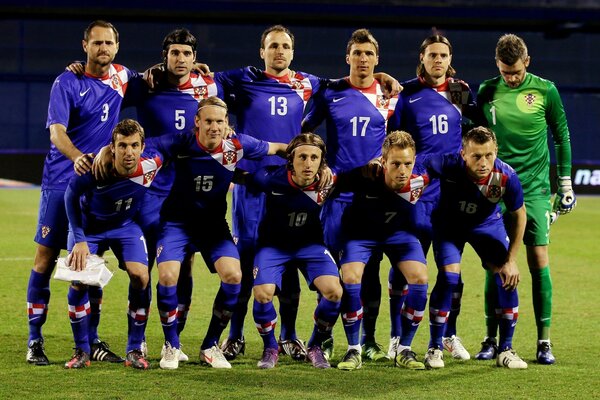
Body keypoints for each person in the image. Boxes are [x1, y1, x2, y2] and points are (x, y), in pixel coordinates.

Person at [216, 25, 399, 362]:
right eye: (273, 46)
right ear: (262, 51)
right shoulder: (243, 79)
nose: (279, 52)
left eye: (285, 46)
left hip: (294, 186)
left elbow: (348, 82)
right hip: (253, 186)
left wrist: (379, 75)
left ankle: (289, 336)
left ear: (292, 52)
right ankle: (235, 334)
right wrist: (221, 118)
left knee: (289, 258)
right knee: (247, 262)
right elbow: (207, 84)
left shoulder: (307, 83)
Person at [26, 20, 135, 366]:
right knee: (44, 260)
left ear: (117, 47)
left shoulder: (122, 77)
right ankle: (35, 339)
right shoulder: (67, 81)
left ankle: (92, 341)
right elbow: (56, 132)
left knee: (91, 265)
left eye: (109, 43)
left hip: (97, 188)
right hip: (60, 183)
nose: (103, 48)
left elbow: (159, 77)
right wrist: (77, 158)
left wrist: (199, 71)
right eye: (97, 42)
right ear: (85, 45)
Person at [151, 96, 287, 370]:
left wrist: (304, 156)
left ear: (227, 124)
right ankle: (171, 345)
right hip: (176, 223)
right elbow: (147, 145)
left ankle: (210, 345)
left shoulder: (238, 145)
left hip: (213, 226)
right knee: (167, 276)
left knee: (234, 276)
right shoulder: (180, 143)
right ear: (197, 122)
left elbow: (277, 147)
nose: (214, 127)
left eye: (220, 121)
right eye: (209, 121)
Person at [476, 34, 576, 364]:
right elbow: (477, 138)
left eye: (516, 72)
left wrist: (564, 184)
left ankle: (544, 341)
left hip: (533, 190)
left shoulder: (546, 90)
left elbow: (561, 136)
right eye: (506, 73)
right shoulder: (487, 90)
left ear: (527, 62)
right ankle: (491, 338)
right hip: (496, 188)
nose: (512, 78)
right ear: (497, 66)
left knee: (538, 263)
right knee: (496, 265)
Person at [302, 28, 400, 362]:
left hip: (371, 198)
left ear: (377, 59)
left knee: (369, 271)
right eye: (357, 53)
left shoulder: (389, 96)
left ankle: (368, 339)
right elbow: (305, 131)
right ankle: (324, 338)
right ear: (348, 58)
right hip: (336, 196)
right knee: (331, 271)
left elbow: (400, 139)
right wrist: (317, 164)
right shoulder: (331, 91)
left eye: (369, 54)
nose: (363, 59)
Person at [126, 27, 223, 362]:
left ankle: (175, 339)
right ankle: (136, 340)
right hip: (151, 189)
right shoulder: (146, 84)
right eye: (174, 53)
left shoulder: (209, 85)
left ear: (195, 58)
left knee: (185, 265)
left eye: (186, 53)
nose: (180, 59)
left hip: (187, 189)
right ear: (164, 56)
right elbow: (106, 93)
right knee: (144, 265)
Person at [386, 34, 477, 361]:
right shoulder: (407, 94)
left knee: (453, 270)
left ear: (449, 58)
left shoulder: (459, 91)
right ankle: (397, 336)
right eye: (432, 55)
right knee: (407, 263)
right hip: (418, 190)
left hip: (453, 191)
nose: (437, 60)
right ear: (422, 57)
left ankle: (449, 334)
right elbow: (393, 139)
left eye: (443, 55)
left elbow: (473, 130)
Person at [421, 126, 528, 369]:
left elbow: (519, 215)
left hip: (486, 226)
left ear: (496, 151)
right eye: (476, 156)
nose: (483, 162)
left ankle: (506, 350)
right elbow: (419, 163)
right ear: (463, 154)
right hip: (449, 226)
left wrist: (511, 260)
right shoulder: (447, 164)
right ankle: (435, 347)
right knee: (449, 277)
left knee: (506, 276)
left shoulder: (506, 176)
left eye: (489, 155)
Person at [63, 119, 161, 369]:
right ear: (113, 147)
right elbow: (70, 196)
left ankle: (134, 349)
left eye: (134, 146)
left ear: (142, 147)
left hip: (125, 226)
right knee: (79, 282)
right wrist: (80, 240)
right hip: (90, 230)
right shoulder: (96, 167)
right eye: (122, 145)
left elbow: (178, 143)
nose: (129, 152)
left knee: (141, 276)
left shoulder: (152, 163)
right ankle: (82, 350)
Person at [240, 133, 342, 369]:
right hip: (273, 246)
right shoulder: (271, 178)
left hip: (311, 247)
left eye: (314, 158)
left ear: (322, 161)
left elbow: (357, 178)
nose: (308, 163)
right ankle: (270, 348)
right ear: (291, 159)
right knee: (263, 293)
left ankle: (315, 346)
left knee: (335, 292)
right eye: (302, 157)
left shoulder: (330, 180)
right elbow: (241, 177)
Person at [334, 130, 429, 370]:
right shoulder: (366, 175)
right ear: (383, 161)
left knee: (420, 279)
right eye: (395, 163)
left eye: (407, 163)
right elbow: (334, 182)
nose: (402, 170)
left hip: (398, 235)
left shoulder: (420, 177)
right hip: (361, 235)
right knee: (351, 278)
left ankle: (404, 349)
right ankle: (353, 349)